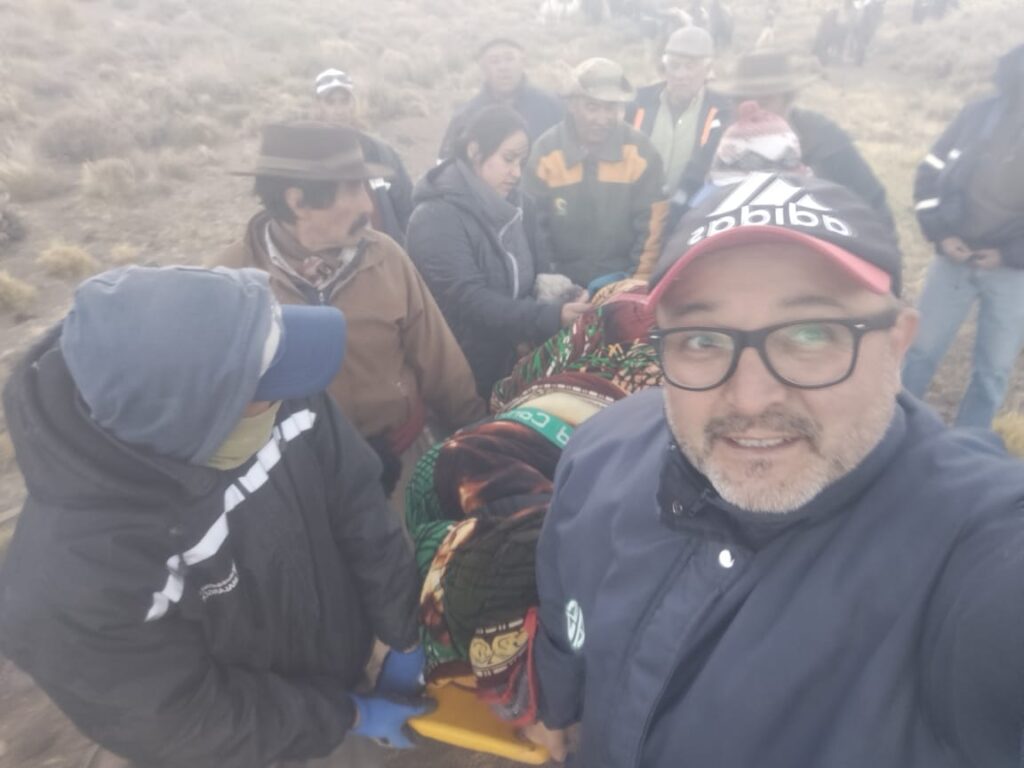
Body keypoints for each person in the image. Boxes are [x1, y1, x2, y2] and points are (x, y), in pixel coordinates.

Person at [533, 171, 1024, 767]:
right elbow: (566, 602)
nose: (749, 398)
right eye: (702, 339)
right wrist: (560, 699)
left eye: (810, 333)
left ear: (899, 342)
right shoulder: (603, 452)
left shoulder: (971, 550)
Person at [0, 266, 430, 768]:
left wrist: (403, 631)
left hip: (335, 678)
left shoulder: (282, 397)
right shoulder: (73, 583)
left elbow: (357, 504)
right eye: (265, 387)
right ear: (194, 421)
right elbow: (179, 720)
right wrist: (345, 716)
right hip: (252, 741)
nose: (290, 392)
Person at [217, 122, 486, 500]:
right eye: (354, 188)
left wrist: (479, 433)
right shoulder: (232, 282)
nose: (368, 204)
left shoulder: (386, 256)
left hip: (402, 470)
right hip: (299, 489)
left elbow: (440, 360)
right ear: (298, 201)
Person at [407, 106, 590, 398]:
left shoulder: (521, 206)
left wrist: (562, 296)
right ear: (475, 150)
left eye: (522, 161)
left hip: (515, 360)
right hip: (465, 370)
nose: (517, 173)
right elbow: (469, 300)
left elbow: (541, 270)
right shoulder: (435, 218)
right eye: (508, 159)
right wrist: (549, 318)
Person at [903, 44, 1024, 428]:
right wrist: (940, 234)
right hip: (953, 258)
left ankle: (970, 446)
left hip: (1012, 272)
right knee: (919, 353)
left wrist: (1009, 255)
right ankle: (895, 430)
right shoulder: (977, 116)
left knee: (993, 371)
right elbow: (929, 172)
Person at [525, 58, 668, 287]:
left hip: (621, 282)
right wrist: (551, 282)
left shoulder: (640, 153)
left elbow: (651, 231)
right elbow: (534, 229)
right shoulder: (545, 154)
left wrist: (636, 285)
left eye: (611, 108)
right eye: (592, 107)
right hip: (561, 286)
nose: (602, 119)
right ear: (572, 105)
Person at [711, 49, 894, 227]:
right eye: (741, 101)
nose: (753, 110)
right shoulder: (719, 141)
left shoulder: (827, 141)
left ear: (789, 101)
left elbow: (873, 208)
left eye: (765, 102)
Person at [626, 26, 733, 198]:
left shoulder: (724, 112)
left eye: (690, 67)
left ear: (707, 69)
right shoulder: (637, 103)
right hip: (636, 212)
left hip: (692, 215)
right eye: (674, 66)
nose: (680, 74)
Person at [314, 68, 414, 246]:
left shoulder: (380, 152)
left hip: (381, 255)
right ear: (319, 106)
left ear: (353, 104)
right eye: (331, 102)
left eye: (344, 101)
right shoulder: (306, 158)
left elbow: (407, 210)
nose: (339, 110)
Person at [438, 38, 563, 162]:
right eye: (494, 61)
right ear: (483, 67)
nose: (503, 67)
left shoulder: (551, 106)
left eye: (509, 59)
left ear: (523, 61)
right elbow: (445, 166)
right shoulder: (466, 115)